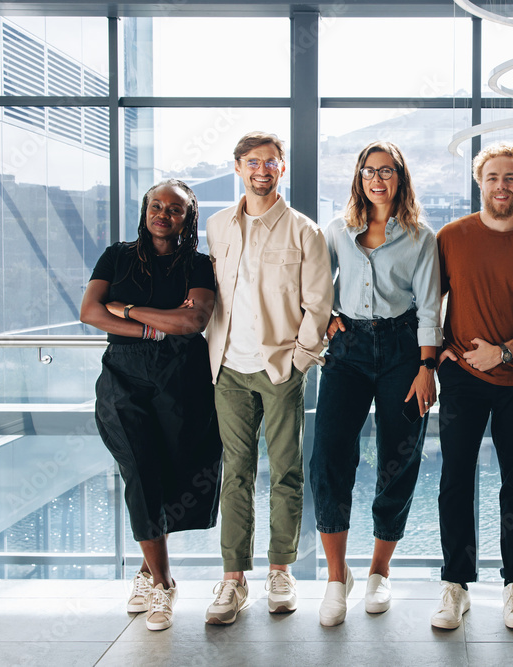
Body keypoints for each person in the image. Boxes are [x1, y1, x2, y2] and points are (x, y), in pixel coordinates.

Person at [432, 141, 513, 631]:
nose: (501, 185)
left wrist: (503, 351)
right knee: (455, 480)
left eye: (510, 177)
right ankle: (456, 585)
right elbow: (431, 299)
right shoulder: (451, 236)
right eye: (492, 177)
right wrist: (440, 352)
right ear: (479, 181)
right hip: (462, 378)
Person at [202, 132, 333, 625]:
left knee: (286, 472)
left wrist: (299, 360)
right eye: (252, 162)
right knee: (234, 473)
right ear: (238, 167)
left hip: (280, 369)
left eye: (271, 162)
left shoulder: (305, 231)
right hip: (228, 370)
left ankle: (281, 571)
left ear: (283, 169)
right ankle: (233, 579)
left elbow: (318, 304)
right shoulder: (216, 226)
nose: (262, 169)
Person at [81, 179, 222, 632]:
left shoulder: (198, 264)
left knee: (180, 471)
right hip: (122, 375)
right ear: (145, 209)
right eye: (156, 205)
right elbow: (89, 311)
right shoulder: (116, 255)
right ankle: (163, 584)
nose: (162, 213)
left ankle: (146, 569)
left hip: (183, 378)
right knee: (139, 471)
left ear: (188, 218)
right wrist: (151, 327)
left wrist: (129, 311)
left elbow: (193, 320)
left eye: (174, 208)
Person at [310, 141, 441, 626]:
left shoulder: (421, 237)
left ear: (401, 177)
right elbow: (316, 285)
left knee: (399, 457)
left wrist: (428, 367)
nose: (378, 180)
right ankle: (335, 578)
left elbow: (430, 305)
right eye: (369, 171)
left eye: (387, 171)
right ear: (359, 178)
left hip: (405, 351)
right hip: (348, 352)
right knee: (329, 455)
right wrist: (323, 319)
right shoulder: (338, 231)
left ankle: (379, 572)